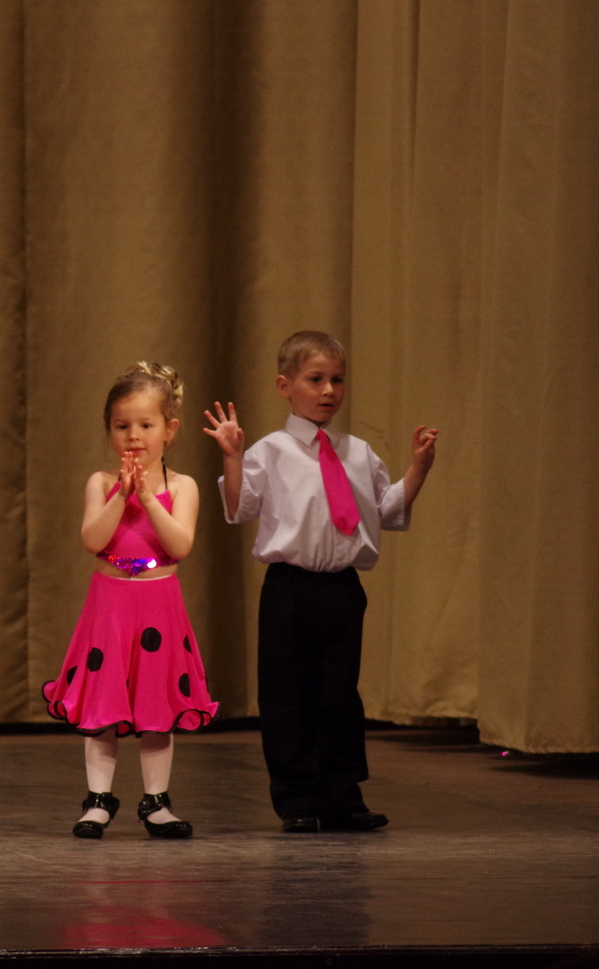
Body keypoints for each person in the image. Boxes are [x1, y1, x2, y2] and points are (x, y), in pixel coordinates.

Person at [204, 330, 436, 832]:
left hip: (342, 589)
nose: (329, 390)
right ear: (285, 386)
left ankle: (343, 797)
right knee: (288, 694)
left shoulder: (358, 452)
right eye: (315, 379)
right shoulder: (271, 451)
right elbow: (238, 508)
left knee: (339, 695)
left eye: (337, 380)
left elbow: (384, 510)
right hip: (290, 588)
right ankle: (298, 800)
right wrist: (232, 456)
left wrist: (418, 469)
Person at [43, 362, 219, 839]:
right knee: (103, 701)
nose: (134, 436)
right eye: (122, 426)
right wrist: (122, 496)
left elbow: (179, 544)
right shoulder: (101, 484)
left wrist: (148, 496)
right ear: (109, 431)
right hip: (112, 603)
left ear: (170, 430)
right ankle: (98, 800)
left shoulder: (182, 486)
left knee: (157, 702)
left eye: (146, 425)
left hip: (158, 602)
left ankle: (156, 802)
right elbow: (93, 539)